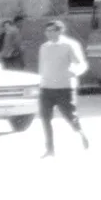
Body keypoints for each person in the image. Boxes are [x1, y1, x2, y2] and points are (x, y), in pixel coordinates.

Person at [37, 20, 89, 158]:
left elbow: (81, 63)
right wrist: (41, 82)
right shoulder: (44, 47)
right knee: (45, 119)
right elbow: (43, 67)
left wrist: (75, 72)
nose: (48, 34)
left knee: (70, 117)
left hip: (64, 88)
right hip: (46, 88)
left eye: (52, 30)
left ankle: (81, 134)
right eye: (46, 31)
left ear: (60, 31)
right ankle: (50, 149)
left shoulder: (69, 45)